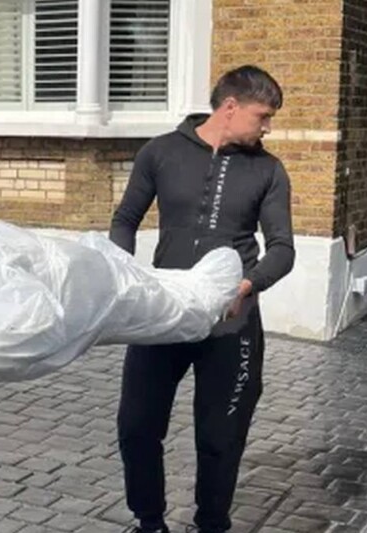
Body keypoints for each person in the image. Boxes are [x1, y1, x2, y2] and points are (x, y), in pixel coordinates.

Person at [110, 65, 295, 533]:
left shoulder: (268, 170)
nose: (267, 128)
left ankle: (212, 524)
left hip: (231, 322)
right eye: (263, 116)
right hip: (164, 314)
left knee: (221, 436)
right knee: (136, 426)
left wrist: (246, 286)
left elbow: (282, 248)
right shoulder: (160, 152)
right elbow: (125, 219)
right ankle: (149, 522)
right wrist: (120, 276)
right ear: (230, 107)